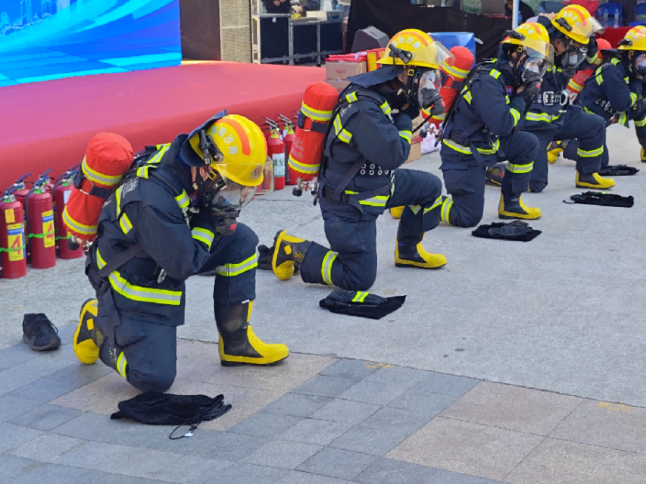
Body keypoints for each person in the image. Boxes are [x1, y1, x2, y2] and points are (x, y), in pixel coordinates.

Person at [72, 113, 288, 393]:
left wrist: (212, 213)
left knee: (241, 241)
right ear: (206, 170)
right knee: (153, 379)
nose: (238, 195)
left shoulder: (190, 163)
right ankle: (96, 324)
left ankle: (237, 343)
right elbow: (183, 265)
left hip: (163, 249)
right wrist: (210, 219)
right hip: (128, 274)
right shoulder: (154, 199)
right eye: (232, 186)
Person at [264, 30, 451, 291]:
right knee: (358, 278)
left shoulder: (388, 91)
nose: (431, 84)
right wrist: (405, 120)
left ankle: (408, 251)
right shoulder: (364, 107)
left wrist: (409, 106)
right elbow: (394, 154)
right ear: (404, 74)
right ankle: (292, 248)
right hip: (350, 203)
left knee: (429, 188)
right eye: (427, 77)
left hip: (376, 185)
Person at [438, 23, 548, 227]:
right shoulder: (488, 81)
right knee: (467, 218)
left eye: (539, 62)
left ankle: (511, 203)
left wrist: (524, 96)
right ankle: (418, 202)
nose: (535, 67)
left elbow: (514, 125)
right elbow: (503, 126)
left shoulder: (511, 78)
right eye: (533, 60)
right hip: (463, 155)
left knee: (528, 143)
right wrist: (522, 98)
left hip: (487, 144)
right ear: (515, 53)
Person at [521, 5, 612, 191]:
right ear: (556, 40)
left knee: (595, 124)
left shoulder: (566, 57)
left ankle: (587, 175)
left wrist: (588, 37)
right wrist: (544, 28)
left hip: (559, 116)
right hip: (533, 127)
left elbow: (591, 57)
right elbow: (525, 47)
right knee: (535, 184)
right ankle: (496, 172)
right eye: (574, 45)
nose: (577, 52)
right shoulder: (531, 54)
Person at [563, 26, 646, 166]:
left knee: (643, 107)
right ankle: (564, 142)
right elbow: (622, 104)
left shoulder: (632, 67)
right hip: (591, 117)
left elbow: (645, 94)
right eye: (643, 56)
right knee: (600, 162)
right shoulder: (612, 70)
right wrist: (639, 81)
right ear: (630, 54)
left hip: (609, 112)